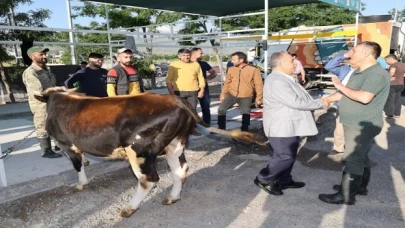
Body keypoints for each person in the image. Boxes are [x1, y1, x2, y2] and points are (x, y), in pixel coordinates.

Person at [319, 41, 390, 205]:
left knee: (353, 159)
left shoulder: (376, 74)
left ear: (366, 54)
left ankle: (346, 195)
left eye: (354, 51)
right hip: (353, 122)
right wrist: (329, 98)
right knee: (361, 157)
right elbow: (346, 94)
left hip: (361, 125)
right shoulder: (359, 72)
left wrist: (338, 85)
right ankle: (358, 187)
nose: (350, 54)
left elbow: (364, 97)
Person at [254, 51, 326, 195]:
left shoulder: (284, 78)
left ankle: (284, 180)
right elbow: (295, 102)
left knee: (290, 154)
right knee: (284, 156)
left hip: (290, 125)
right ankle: (264, 178)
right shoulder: (277, 80)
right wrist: (320, 103)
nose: (295, 63)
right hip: (281, 127)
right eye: (291, 61)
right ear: (281, 63)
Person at [22, 46, 62, 158]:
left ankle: (58, 145)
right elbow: (38, 92)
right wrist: (59, 91)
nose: (44, 56)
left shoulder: (47, 69)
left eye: (44, 54)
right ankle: (46, 150)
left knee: (55, 124)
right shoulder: (31, 72)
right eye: (41, 54)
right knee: (42, 125)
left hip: (52, 102)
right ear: (32, 57)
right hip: (41, 104)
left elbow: (52, 84)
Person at [218, 52, 263, 131]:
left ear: (241, 60)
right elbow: (227, 83)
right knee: (221, 109)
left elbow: (259, 84)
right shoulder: (231, 69)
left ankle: (244, 130)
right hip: (231, 94)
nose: (232, 61)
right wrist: (223, 94)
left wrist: (259, 98)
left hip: (246, 96)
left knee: (245, 112)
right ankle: (221, 128)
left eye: (234, 60)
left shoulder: (253, 69)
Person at [324, 52, 357, 156]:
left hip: (356, 104)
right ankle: (339, 148)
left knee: (354, 129)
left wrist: (338, 85)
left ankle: (352, 149)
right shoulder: (345, 68)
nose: (351, 59)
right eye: (351, 57)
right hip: (341, 103)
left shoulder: (366, 71)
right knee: (339, 128)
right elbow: (329, 66)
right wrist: (344, 55)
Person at [166, 48, 205, 136]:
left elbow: (201, 78)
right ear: (179, 56)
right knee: (179, 111)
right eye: (184, 55)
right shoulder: (174, 65)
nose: (186, 57)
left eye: (188, 55)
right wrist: (171, 93)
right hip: (178, 92)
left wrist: (202, 90)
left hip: (193, 92)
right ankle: (179, 130)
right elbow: (169, 80)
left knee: (192, 111)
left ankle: (192, 129)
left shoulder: (195, 65)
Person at [191, 47, 217, 124]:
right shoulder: (187, 64)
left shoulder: (203, 64)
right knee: (191, 107)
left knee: (205, 105)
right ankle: (193, 123)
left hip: (203, 88)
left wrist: (206, 80)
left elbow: (214, 73)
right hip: (191, 88)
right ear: (194, 54)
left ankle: (206, 123)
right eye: (201, 53)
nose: (202, 54)